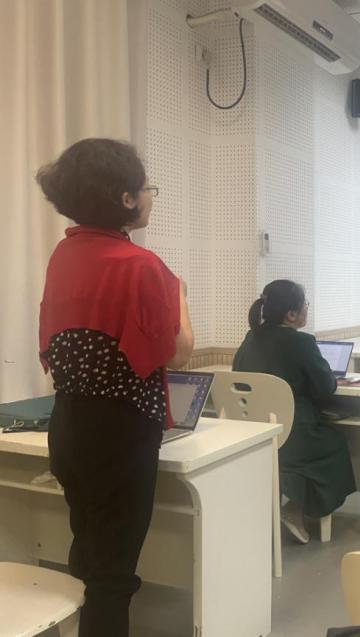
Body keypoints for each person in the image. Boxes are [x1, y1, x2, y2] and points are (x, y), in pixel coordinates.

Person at [38, 138, 194, 636]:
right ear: (126, 199)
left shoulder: (64, 254)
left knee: (89, 549)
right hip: (120, 435)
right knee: (114, 574)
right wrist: (179, 293)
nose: (149, 196)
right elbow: (176, 354)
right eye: (146, 188)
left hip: (68, 424)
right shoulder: (142, 266)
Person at [233, 280, 356, 543]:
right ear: (291, 314)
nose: (306, 308)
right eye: (305, 304)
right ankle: (295, 508)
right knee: (336, 444)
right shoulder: (301, 342)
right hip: (294, 437)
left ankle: (292, 502)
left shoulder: (250, 339)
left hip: (254, 436)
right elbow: (325, 387)